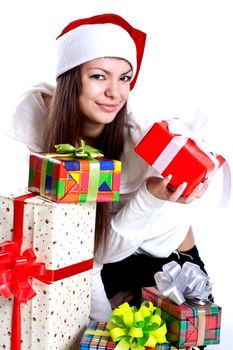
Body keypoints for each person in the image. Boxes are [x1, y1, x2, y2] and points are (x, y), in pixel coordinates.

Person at [5, 14, 209, 347]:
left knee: (175, 340)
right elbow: (77, 245)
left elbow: (103, 251)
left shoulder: (139, 142)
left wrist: (152, 196)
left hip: (167, 260)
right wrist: (98, 326)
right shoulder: (39, 117)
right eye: (99, 76)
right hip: (103, 257)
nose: (115, 93)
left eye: (125, 78)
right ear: (71, 79)